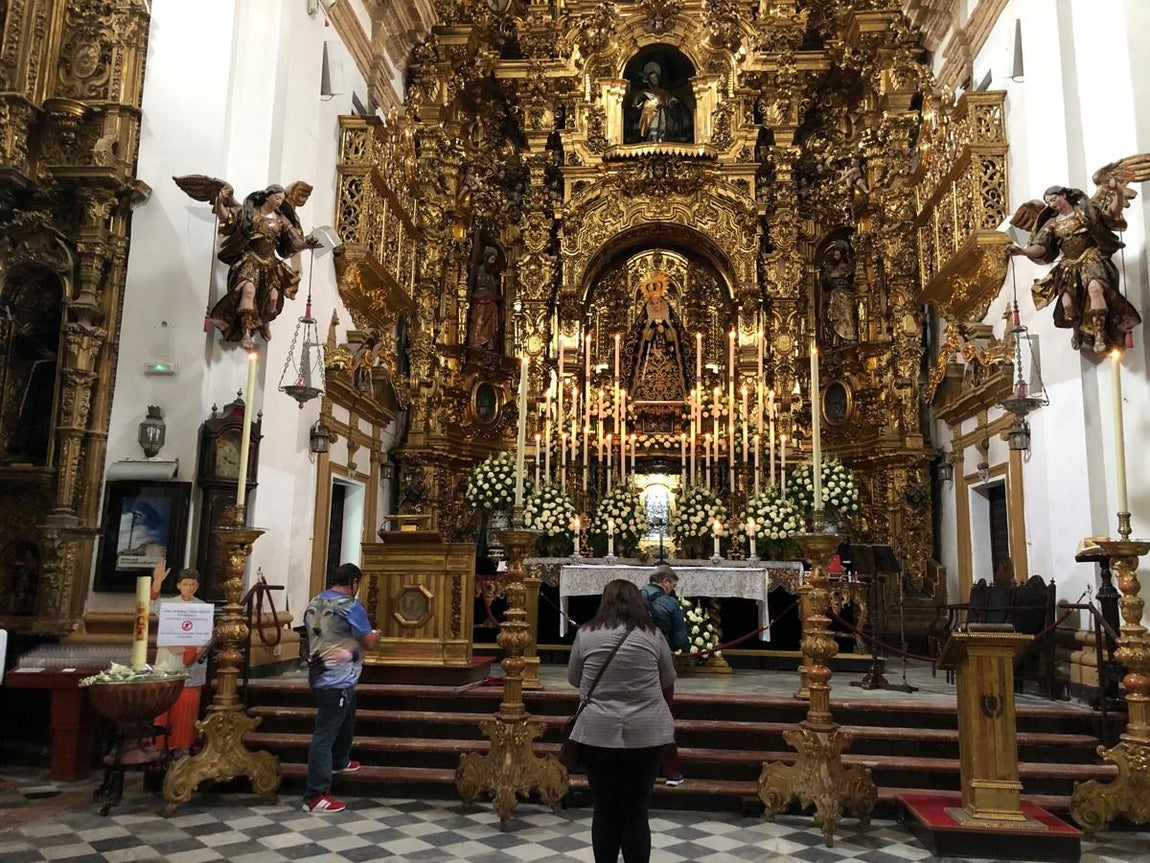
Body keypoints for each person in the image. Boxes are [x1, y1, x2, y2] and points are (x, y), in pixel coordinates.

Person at [568, 579, 675, 863]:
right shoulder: (653, 635)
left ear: (604, 603)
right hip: (646, 732)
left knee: (604, 810)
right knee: (636, 811)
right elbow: (668, 679)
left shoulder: (586, 634)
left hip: (598, 731)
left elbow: (574, 679)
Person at [1009, 185, 1141, 354]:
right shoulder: (1052, 223)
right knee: (1068, 305)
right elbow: (1041, 248)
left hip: (1091, 257)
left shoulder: (1084, 211)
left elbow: (1111, 214)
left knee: (1095, 289)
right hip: (1069, 266)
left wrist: (1118, 192)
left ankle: (1099, 335)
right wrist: (1022, 251)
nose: (1051, 204)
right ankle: (1077, 329)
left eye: (1054, 199)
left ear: (1063, 195)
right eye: (1048, 202)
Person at [302, 562, 380, 813]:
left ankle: (340, 760)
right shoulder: (350, 607)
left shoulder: (315, 601)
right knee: (324, 735)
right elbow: (368, 642)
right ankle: (315, 795)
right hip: (336, 678)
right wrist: (376, 635)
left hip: (320, 675)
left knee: (347, 714)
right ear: (354, 582)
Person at [209, 182, 321, 350]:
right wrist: (218, 203)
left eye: (282, 200)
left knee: (273, 298)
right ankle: (246, 332)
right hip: (250, 260)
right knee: (248, 291)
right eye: (277, 198)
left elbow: (293, 242)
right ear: (268, 196)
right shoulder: (250, 213)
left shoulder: (281, 220)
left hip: (270, 264)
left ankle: (264, 322)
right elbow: (228, 219)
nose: (279, 202)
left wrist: (306, 244)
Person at [149, 559, 212, 755]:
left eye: (193, 584)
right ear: (178, 585)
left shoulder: (203, 608)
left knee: (187, 705)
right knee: (164, 702)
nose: (189, 587)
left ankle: (183, 744)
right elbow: (151, 606)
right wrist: (156, 584)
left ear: (197, 586)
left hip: (190, 663)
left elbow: (206, 636)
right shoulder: (169, 605)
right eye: (185, 584)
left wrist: (191, 650)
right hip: (169, 658)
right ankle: (160, 745)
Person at [640, 565, 688, 786]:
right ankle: (671, 772)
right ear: (666, 581)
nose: (672, 590)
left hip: (637, 661)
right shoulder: (670, 603)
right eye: (673, 585)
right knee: (664, 714)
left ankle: (639, 771)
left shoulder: (636, 597)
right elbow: (679, 640)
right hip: (661, 660)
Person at [621, 271, 693, 403]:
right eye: (653, 302)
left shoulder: (669, 316)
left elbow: (679, 339)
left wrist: (665, 330)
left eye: (658, 302)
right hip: (648, 361)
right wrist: (652, 329)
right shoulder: (645, 319)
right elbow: (637, 340)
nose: (656, 305)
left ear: (662, 301)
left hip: (669, 362)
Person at [821, 240, 857, 347]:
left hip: (848, 295)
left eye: (837, 254)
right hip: (836, 295)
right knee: (834, 312)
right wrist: (830, 276)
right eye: (835, 254)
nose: (835, 256)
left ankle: (849, 337)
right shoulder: (830, 268)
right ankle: (837, 339)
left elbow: (855, 282)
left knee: (849, 312)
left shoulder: (850, 267)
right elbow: (826, 284)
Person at [467, 246, 503, 351]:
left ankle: (489, 344)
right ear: (486, 258)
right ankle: (476, 342)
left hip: (490, 303)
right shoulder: (479, 271)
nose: (492, 262)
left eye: (494, 260)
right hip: (481, 302)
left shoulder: (491, 273)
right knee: (479, 321)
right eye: (491, 259)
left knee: (491, 323)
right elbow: (477, 286)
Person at [632, 63, 680, 143]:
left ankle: (660, 138)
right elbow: (636, 100)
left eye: (655, 77)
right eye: (652, 78)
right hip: (650, 114)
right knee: (653, 127)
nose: (654, 80)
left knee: (661, 127)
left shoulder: (663, 92)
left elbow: (670, 100)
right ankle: (652, 137)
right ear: (649, 80)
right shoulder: (646, 92)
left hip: (661, 113)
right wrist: (644, 96)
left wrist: (672, 101)